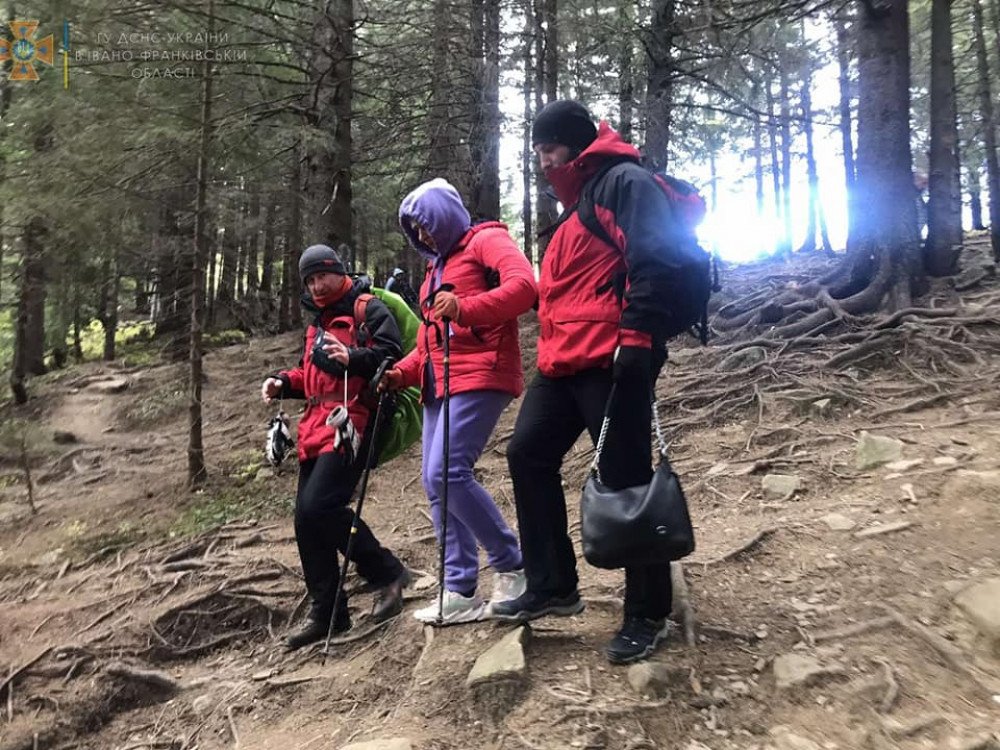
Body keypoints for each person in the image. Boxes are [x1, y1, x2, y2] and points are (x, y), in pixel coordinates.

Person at [491, 100, 684, 664]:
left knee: (626, 479)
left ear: (576, 144)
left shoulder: (624, 182)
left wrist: (638, 339)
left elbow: (656, 259)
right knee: (527, 454)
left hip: (613, 359)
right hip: (561, 364)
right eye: (538, 151)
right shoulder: (575, 205)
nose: (543, 161)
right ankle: (553, 585)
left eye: (549, 148)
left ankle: (648, 612)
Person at [382, 178, 537, 624]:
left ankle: (513, 566)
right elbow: (430, 342)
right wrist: (399, 374)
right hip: (440, 382)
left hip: (482, 372)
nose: (423, 235)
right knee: (436, 484)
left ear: (443, 216)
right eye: (415, 230)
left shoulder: (486, 240)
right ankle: (461, 588)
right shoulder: (435, 269)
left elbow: (525, 287)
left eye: (426, 225)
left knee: (446, 472)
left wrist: (466, 308)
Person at [261, 244, 411, 651]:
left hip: (353, 422)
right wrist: (283, 382)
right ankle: (328, 611)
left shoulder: (368, 309)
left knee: (320, 507)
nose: (316, 286)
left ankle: (387, 572)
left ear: (339, 271)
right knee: (305, 519)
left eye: (321, 276)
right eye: (309, 280)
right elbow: (309, 375)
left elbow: (392, 358)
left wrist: (352, 357)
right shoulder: (317, 323)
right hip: (314, 427)